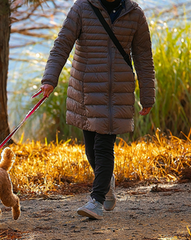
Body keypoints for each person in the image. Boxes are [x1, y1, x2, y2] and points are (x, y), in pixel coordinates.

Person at [40, 0, 155, 220]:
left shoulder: (134, 13)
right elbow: (62, 44)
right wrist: (49, 80)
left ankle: (97, 201)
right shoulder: (82, 8)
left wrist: (148, 95)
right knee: (91, 149)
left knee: (103, 146)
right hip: (86, 91)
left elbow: (143, 56)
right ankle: (107, 181)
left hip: (116, 92)